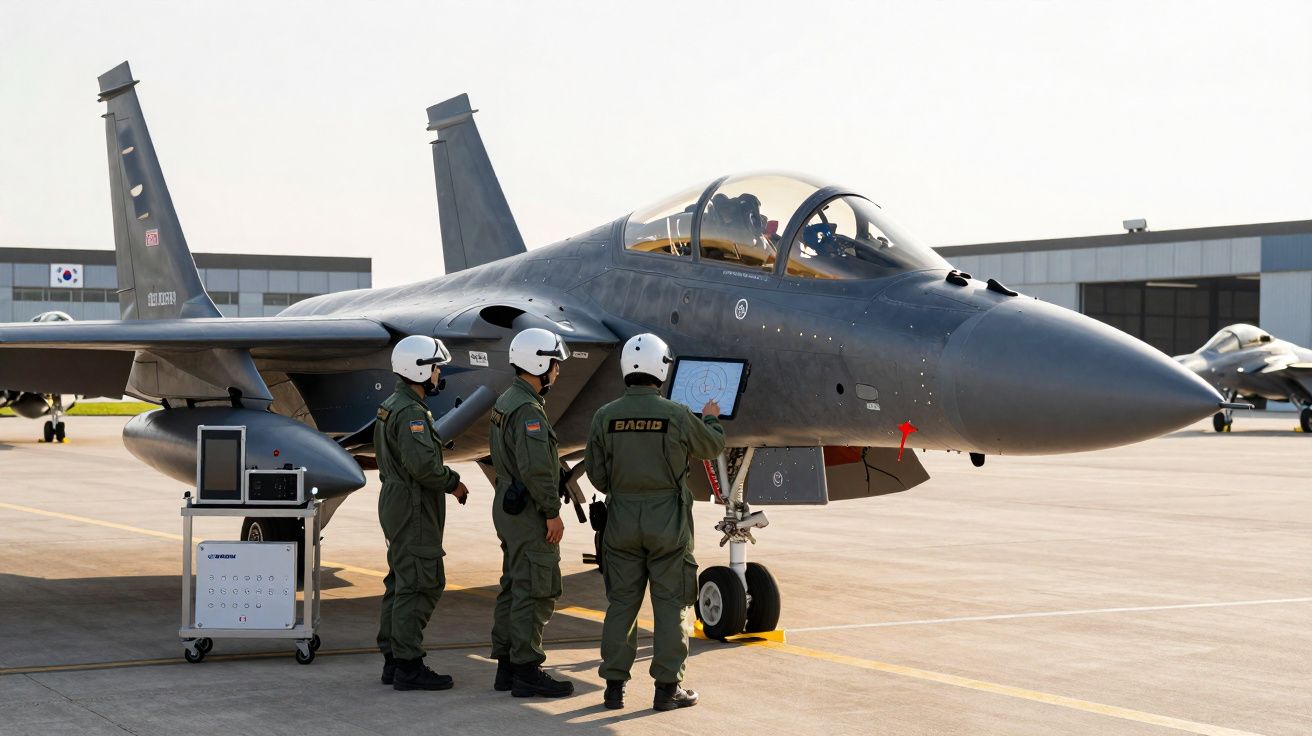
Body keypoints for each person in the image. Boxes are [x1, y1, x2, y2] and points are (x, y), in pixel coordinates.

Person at [585, 333, 726, 711]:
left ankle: (613, 689)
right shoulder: (678, 415)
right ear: (661, 370)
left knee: (621, 605)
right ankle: (667, 690)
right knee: (671, 606)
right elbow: (711, 447)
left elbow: (597, 477)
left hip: (621, 523)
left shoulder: (605, 416)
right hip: (668, 524)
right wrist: (711, 420)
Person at [375, 335, 470, 691]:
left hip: (398, 501)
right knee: (420, 583)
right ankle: (409, 665)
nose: (438, 373)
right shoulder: (412, 413)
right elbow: (424, 467)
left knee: (401, 581)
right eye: (435, 367)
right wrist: (455, 483)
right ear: (420, 369)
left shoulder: (393, 405)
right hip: (413, 505)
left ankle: (393, 659)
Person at [488, 327, 574, 698]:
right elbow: (537, 468)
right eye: (554, 364)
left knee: (514, 584)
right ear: (539, 364)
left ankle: (508, 667)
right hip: (527, 510)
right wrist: (551, 512)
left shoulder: (508, 400)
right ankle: (526, 670)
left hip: (508, 502)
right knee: (536, 589)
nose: (557, 371)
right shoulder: (527, 410)